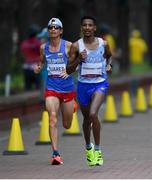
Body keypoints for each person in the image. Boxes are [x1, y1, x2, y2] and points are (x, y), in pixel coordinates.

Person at [66, 16, 112, 166]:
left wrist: (109, 65)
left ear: (94, 28)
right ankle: (88, 148)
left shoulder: (103, 44)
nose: (87, 27)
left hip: (100, 84)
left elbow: (109, 57)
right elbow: (68, 69)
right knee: (86, 120)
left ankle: (98, 150)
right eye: (84, 25)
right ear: (81, 28)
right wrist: (79, 59)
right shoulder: (76, 46)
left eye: (90, 25)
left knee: (93, 114)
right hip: (83, 86)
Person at [34, 18, 76, 165]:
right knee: (52, 117)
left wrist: (70, 70)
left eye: (56, 27)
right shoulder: (43, 47)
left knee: (67, 124)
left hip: (67, 89)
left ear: (61, 30)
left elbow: (77, 63)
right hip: (51, 87)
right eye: (50, 27)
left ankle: (72, 106)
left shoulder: (69, 46)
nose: (53, 30)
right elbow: (41, 61)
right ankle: (55, 154)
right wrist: (38, 67)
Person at [20, 25, 41, 91]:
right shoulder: (38, 43)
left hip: (26, 66)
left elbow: (23, 53)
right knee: (38, 87)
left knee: (27, 86)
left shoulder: (24, 43)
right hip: (35, 66)